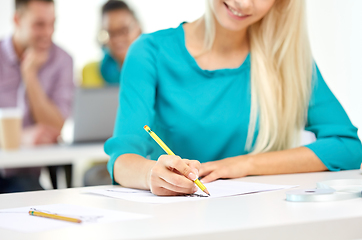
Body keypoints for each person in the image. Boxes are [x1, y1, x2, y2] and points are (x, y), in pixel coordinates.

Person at [104, 0, 362, 196]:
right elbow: (123, 157)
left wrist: (241, 165)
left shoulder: (286, 59)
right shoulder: (149, 52)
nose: (244, 3)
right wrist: (151, 174)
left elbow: (347, 146)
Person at [0, 0, 74, 193]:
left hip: (25, 177)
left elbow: (55, 125)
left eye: (52, 24)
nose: (48, 33)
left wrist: (30, 76)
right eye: (39, 24)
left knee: (35, 196)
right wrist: (19, 138)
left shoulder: (62, 60)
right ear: (17, 20)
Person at [82, 0, 141, 87]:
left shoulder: (157, 69)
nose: (118, 39)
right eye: (110, 32)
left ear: (138, 29)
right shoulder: (89, 71)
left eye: (124, 30)